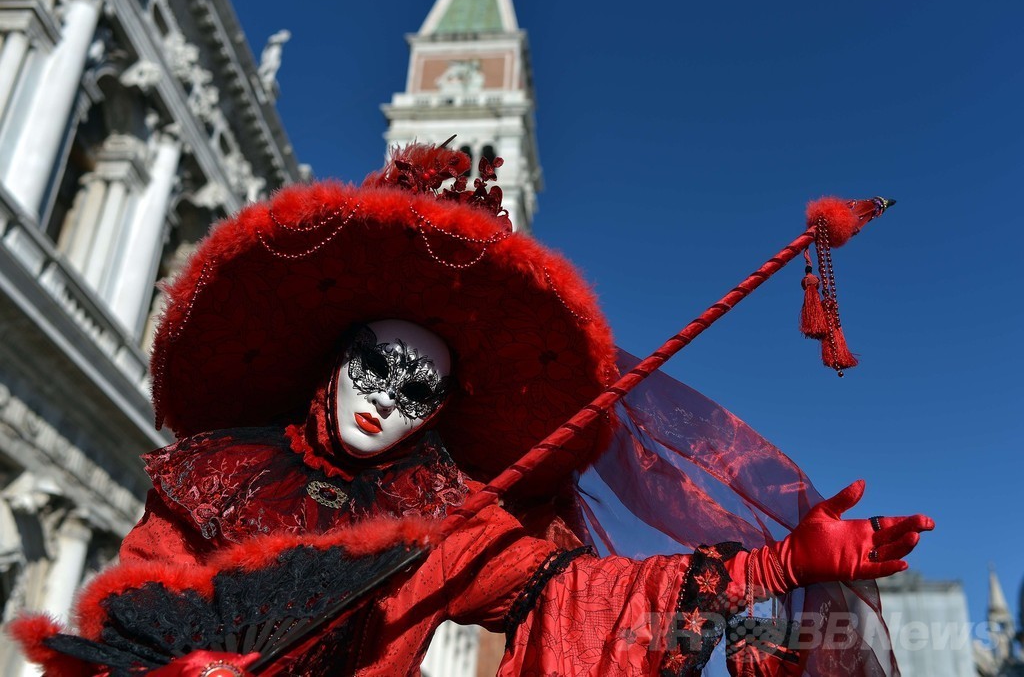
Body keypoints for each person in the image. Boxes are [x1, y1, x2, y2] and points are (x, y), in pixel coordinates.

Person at [11, 144, 932, 676]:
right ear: (338, 356)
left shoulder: (448, 522)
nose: (386, 398)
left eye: (420, 388)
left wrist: (778, 562)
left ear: (441, 410)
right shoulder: (214, 477)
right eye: (376, 365)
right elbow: (128, 611)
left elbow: (584, 599)